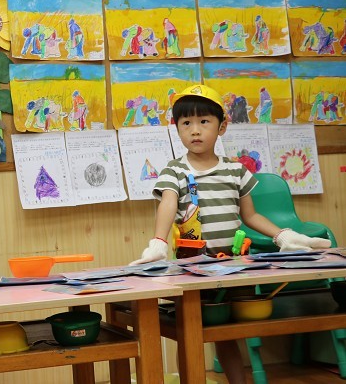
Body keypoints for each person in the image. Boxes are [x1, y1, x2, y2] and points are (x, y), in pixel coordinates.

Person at [129, 84, 331, 384]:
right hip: (193, 267)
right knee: (189, 332)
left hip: (235, 265)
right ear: (177, 128)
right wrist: (158, 242)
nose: (195, 130)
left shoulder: (236, 171)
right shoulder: (174, 170)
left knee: (229, 333)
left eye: (204, 121)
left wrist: (284, 236)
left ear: (221, 127)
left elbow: (250, 216)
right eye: (186, 123)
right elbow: (168, 203)